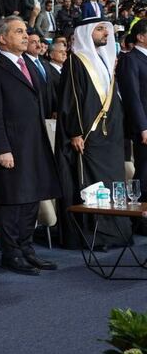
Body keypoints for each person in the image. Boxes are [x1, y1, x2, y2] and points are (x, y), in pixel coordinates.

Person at [0, 16, 60, 275]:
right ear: (3, 38)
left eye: (26, 31)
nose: (26, 36)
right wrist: (2, 148)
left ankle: (26, 249)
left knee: (31, 198)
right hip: (11, 146)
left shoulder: (32, 66)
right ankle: (10, 253)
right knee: (13, 201)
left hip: (34, 142)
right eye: (19, 32)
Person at [55, 17, 129, 249]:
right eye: (99, 29)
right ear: (86, 33)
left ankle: (115, 233)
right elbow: (72, 99)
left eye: (106, 30)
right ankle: (93, 235)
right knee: (92, 185)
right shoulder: (76, 61)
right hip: (88, 136)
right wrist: (75, 131)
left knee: (111, 183)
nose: (105, 33)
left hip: (110, 137)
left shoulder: (105, 60)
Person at [118, 19, 147, 205]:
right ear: (141, 37)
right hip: (144, 126)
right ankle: (139, 221)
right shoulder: (130, 59)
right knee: (145, 173)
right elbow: (132, 96)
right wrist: (142, 127)